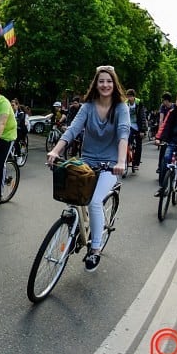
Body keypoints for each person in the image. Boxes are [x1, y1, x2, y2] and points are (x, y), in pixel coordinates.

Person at [47, 65, 129, 272]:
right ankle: (80, 227)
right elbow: (73, 129)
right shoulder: (88, 106)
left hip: (110, 164)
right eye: (101, 81)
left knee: (94, 202)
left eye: (109, 81)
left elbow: (123, 134)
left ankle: (94, 249)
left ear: (114, 84)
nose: (105, 85)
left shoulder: (121, 107)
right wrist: (56, 151)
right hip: (87, 160)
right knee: (72, 194)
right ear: (96, 84)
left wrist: (120, 162)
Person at [126, 89, 147, 173]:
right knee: (126, 141)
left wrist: (142, 130)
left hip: (138, 126)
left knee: (139, 145)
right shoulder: (125, 103)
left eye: (131, 96)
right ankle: (126, 157)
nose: (129, 98)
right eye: (128, 96)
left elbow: (142, 116)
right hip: (129, 126)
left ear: (134, 96)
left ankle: (136, 163)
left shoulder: (139, 103)